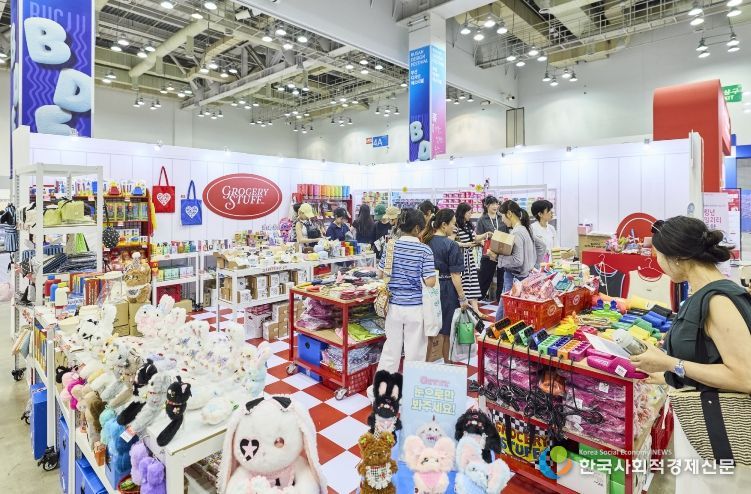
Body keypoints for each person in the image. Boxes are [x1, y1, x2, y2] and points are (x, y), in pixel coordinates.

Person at [629, 216, 751, 492]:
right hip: (704, 430)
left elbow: (745, 377)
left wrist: (670, 362)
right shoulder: (703, 293)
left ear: (677, 257)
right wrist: (666, 375)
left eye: (658, 256)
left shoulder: (719, 300)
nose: (657, 263)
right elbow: (708, 357)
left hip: (722, 435)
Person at [377, 209, 437, 373]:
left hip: (393, 307)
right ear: (417, 229)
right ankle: (412, 386)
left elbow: (380, 274)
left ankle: (383, 386)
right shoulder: (425, 250)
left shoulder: (390, 246)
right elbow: (430, 282)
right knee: (415, 352)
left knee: (391, 350)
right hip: (415, 308)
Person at [424, 209, 469, 363]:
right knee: (447, 331)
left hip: (428, 288)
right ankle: (447, 365)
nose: (454, 227)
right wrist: (462, 297)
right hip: (446, 289)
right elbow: (455, 275)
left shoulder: (426, 241)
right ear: (444, 225)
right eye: (453, 224)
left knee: (429, 330)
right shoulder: (451, 245)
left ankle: (425, 365)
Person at [495, 200, 537, 320]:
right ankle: (497, 328)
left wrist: (497, 257)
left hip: (514, 276)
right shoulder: (525, 229)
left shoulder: (517, 232)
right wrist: (532, 263)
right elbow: (541, 246)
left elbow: (517, 260)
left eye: (502, 216)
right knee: (508, 305)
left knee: (507, 307)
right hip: (524, 275)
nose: (502, 220)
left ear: (509, 214)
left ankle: (498, 329)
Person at [475, 196, 506, 301]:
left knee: (502, 278)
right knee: (485, 278)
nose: (495, 206)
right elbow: (477, 237)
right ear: (487, 205)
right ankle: (478, 300)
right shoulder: (482, 219)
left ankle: (500, 300)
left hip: (502, 252)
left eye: (496, 204)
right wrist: (485, 236)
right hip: (488, 252)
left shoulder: (501, 218)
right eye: (492, 204)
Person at [454, 203, 483, 314]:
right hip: (461, 258)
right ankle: (464, 308)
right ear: (463, 213)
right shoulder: (456, 225)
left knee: (473, 282)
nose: (471, 215)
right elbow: (451, 242)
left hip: (469, 257)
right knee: (463, 282)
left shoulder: (468, 225)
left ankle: (476, 310)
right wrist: (464, 245)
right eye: (469, 212)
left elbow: (475, 238)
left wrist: (486, 235)